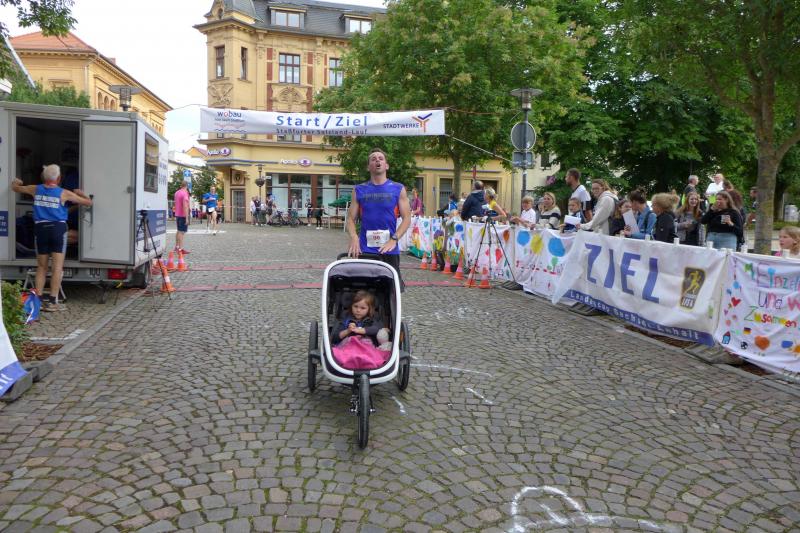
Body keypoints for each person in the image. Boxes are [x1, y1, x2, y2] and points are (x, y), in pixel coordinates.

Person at [12, 164, 93, 312]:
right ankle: (52, 302)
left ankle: (37, 301)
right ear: (59, 178)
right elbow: (88, 202)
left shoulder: (35, 189)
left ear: (43, 177)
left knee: (41, 267)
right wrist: (81, 193)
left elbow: (16, 188)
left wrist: (16, 182)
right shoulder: (64, 193)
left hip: (41, 230)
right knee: (57, 267)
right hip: (57, 230)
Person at [347, 148, 412, 291]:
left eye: (381, 158)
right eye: (373, 159)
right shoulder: (359, 189)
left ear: (386, 165)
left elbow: (407, 218)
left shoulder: (398, 188)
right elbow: (350, 219)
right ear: (368, 167)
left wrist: (394, 239)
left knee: (391, 291)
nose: (377, 160)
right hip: (365, 249)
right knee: (366, 292)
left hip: (389, 249)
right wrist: (354, 237)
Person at [174, 179, 191, 254]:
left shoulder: (177, 192)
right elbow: (185, 206)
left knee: (178, 231)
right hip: (183, 215)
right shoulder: (185, 193)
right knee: (182, 232)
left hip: (177, 214)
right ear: (187, 186)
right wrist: (187, 218)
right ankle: (180, 249)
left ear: (181, 185)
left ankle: (177, 247)